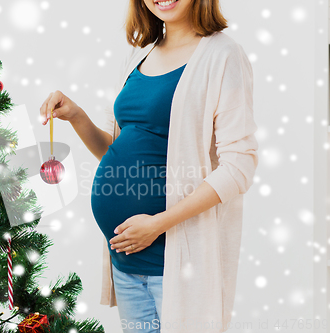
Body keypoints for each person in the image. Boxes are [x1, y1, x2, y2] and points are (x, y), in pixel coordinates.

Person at [39, 0, 258, 332]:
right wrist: (76, 116)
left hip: (174, 265)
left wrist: (158, 224)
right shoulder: (140, 52)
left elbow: (239, 166)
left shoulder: (223, 55)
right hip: (126, 263)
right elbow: (121, 150)